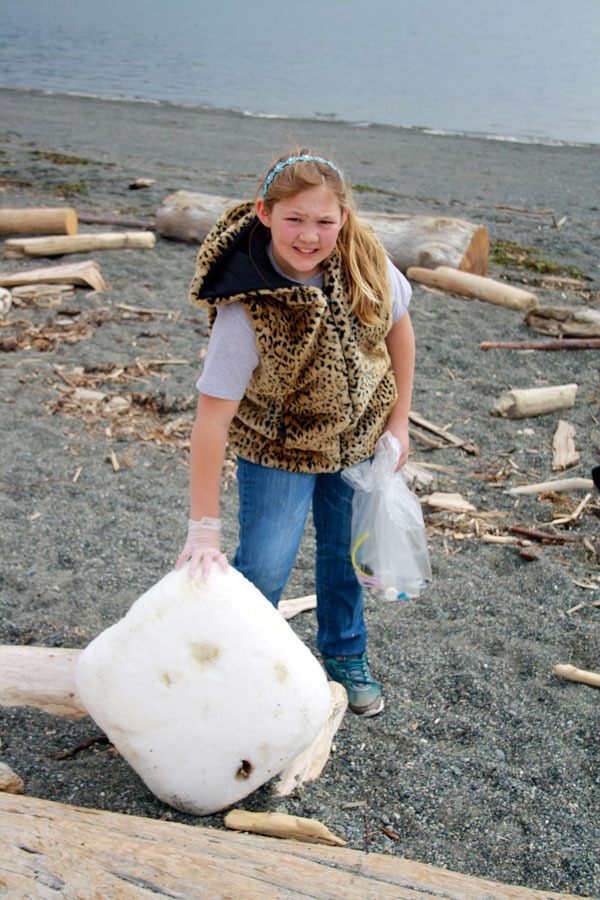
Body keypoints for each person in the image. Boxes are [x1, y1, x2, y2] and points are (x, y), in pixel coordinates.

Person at [176, 150, 415, 717]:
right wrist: (202, 529)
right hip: (277, 449)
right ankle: (244, 665)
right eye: (295, 219)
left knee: (343, 556)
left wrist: (398, 423)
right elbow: (210, 422)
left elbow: (399, 335)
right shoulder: (246, 309)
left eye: (324, 221)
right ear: (264, 212)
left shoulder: (366, 266)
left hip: (356, 442)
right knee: (263, 563)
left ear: (343, 219)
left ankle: (344, 654)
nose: (310, 235)